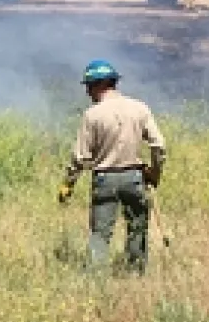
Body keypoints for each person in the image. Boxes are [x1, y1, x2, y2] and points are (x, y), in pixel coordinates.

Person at [56, 60, 165, 275]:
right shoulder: (139, 108)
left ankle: (96, 279)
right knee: (138, 228)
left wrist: (68, 185)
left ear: (99, 84)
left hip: (104, 180)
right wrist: (154, 173)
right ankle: (135, 274)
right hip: (134, 177)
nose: (87, 92)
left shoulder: (93, 115)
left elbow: (80, 157)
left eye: (89, 86)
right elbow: (159, 145)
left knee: (100, 234)